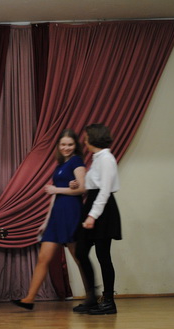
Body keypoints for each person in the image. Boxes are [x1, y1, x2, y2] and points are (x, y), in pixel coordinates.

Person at [12, 129, 86, 310]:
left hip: (71, 213)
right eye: (63, 144)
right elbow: (55, 196)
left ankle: (91, 297)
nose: (66, 147)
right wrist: (46, 221)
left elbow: (82, 188)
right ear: (58, 146)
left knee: (79, 259)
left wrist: (56, 190)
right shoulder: (60, 165)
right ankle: (29, 299)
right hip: (56, 216)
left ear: (75, 145)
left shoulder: (77, 161)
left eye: (70, 144)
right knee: (43, 258)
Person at [71, 123, 122, 315]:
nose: (84, 140)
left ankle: (108, 301)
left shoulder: (106, 158)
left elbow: (105, 190)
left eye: (86, 137)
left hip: (103, 210)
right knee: (81, 251)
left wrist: (93, 215)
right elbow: (94, 185)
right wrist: (76, 184)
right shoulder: (97, 158)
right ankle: (92, 298)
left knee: (103, 255)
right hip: (94, 205)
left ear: (93, 138)